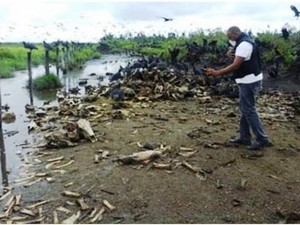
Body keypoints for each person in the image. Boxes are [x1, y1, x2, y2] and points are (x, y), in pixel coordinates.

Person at [206, 26, 272, 150]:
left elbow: (236, 65)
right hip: (248, 79)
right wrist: (231, 55)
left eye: (230, 38)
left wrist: (217, 73)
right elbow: (241, 59)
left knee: (249, 110)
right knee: (245, 109)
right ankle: (244, 137)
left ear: (235, 34)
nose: (230, 40)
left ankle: (262, 138)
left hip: (249, 81)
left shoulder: (244, 44)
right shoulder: (245, 41)